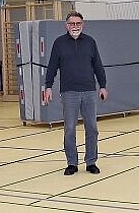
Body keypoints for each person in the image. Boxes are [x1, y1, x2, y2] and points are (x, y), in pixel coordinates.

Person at [44, 11, 108, 176]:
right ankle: (72, 163)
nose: (75, 27)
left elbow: (98, 66)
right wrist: (48, 86)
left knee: (92, 128)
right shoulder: (59, 43)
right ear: (66, 25)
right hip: (69, 92)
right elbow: (52, 66)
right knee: (70, 129)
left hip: (88, 91)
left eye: (78, 24)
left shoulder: (90, 42)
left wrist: (103, 86)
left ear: (82, 24)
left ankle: (91, 161)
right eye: (72, 24)